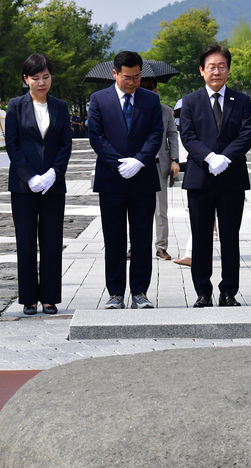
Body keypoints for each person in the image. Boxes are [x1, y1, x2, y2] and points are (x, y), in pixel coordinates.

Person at [180, 44, 251, 308]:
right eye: (211, 66)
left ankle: (229, 292)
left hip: (231, 178)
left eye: (222, 66)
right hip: (200, 178)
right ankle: (203, 291)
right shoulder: (190, 101)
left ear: (229, 70)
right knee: (201, 237)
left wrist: (226, 158)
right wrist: (210, 157)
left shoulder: (242, 101)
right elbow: (187, 135)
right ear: (202, 70)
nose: (217, 71)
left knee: (230, 237)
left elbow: (246, 134)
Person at [88, 51, 163, 309]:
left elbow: (156, 134)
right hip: (111, 179)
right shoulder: (99, 100)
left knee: (142, 237)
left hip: (142, 178)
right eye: (127, 77)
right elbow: (96, 137)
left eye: (137, 77)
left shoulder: (150, 101)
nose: (132, 82)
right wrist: (118, 163)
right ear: (115, 74)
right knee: (114, 237)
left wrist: (140, 160)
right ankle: (116, 293)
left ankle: (140, 292)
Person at [5, 53, 72, 316]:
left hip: (53, 185)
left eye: (46, 77)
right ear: (26, 79)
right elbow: (12, 143)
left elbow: (65, 143)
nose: (41, 82)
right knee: (26, 241)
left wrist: (54, 172)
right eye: (36, 78)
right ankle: (29, 299)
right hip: (23, 186)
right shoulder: (15, 106)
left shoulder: (60, 106)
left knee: (52, 240)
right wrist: (30, 176)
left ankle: (50, 298)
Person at [140, 77, 179, 261]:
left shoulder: (165, 111)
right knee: (136, 208)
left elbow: (172, 136)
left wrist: (174, 160)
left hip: (159, 164)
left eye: (152, 90)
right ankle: (136, 246)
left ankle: (161, 246)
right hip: (139, 165)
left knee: (160, 209)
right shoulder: (135, 110)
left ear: (156, 91)